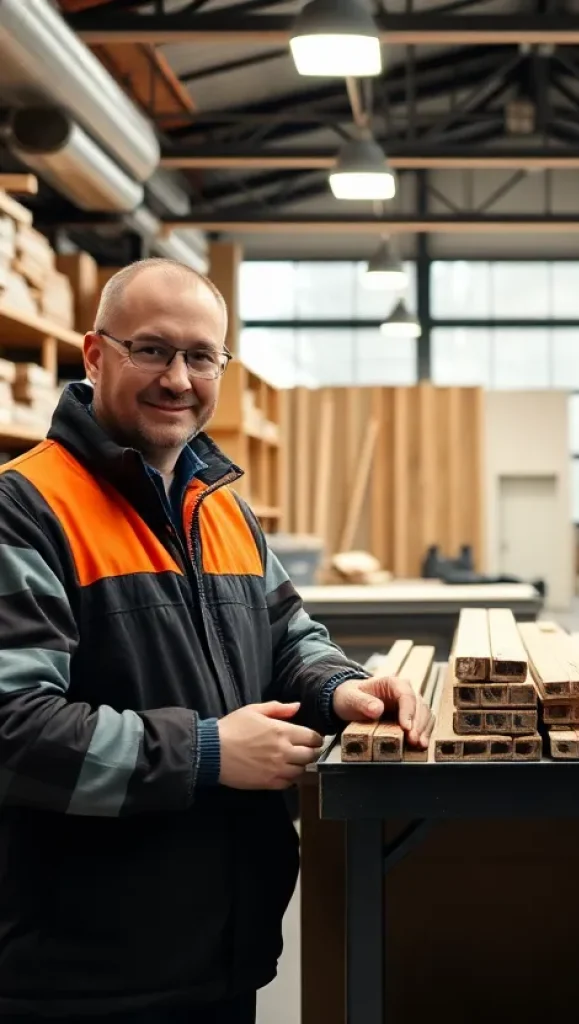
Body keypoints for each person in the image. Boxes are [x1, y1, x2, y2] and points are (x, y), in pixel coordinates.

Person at [0, 257, 433, 1023]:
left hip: (223, 945)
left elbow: (289, 638)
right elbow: (14, 728)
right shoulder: (26, 509)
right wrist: (205, 752)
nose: (179, 378)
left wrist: (341, 688)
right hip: (81, 968)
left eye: (202, 356)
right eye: (153, 350)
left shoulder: (221, 508)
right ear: (96, 355)